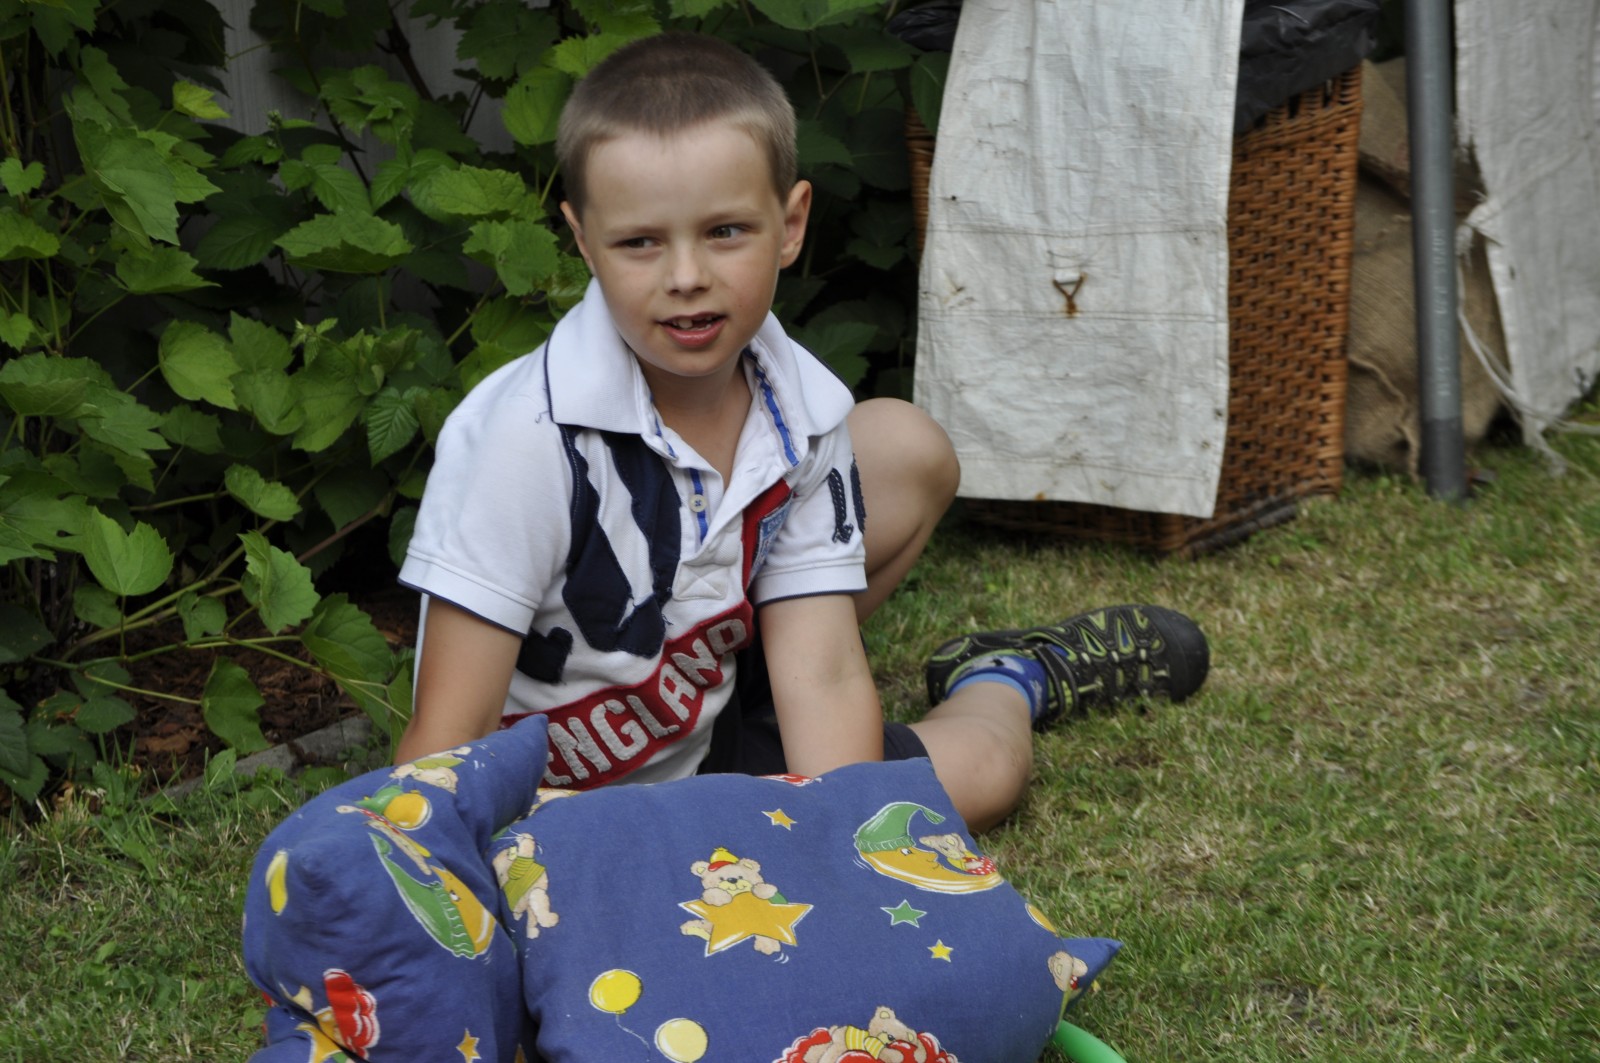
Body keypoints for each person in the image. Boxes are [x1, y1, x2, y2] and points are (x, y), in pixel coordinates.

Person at [394, 32, 1209, 831]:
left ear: (790, 224)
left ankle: (1005, 673)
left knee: (987, 767)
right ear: (583, 240)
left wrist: (838, 834)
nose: (686, 277)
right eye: (639, 242)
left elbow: (821, 680)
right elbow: (442, 762)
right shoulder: (526, 438)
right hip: (558, 812)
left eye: (725, 231)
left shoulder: (800, 408)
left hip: (708, 734)